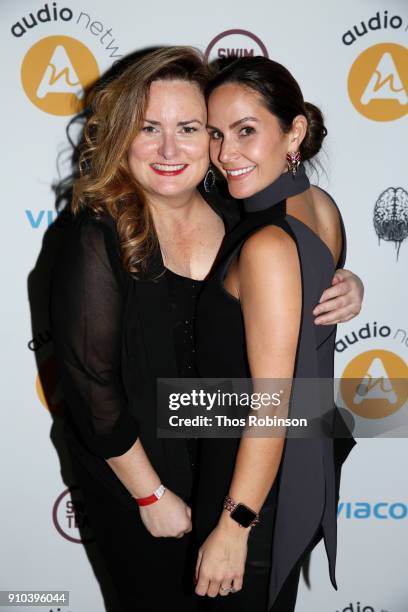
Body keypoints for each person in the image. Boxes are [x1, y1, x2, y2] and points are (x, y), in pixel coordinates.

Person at [50, 47, 361, 612]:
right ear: (123, 136)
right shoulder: (96, 236)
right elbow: (91, 387)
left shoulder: (237, 208)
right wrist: (150, 494)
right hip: (139, 483)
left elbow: (293, 257)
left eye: (191, 129)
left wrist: (346, 282)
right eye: (149, 128)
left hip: (234, 470)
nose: (171, 149)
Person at [193, 56, 356, 611]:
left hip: (250, 491)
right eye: (215, 134)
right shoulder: (321, 206)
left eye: (246, 131)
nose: (225, 153)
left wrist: (234, 526)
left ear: (295, 131)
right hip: (296, 476)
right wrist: (351, 283)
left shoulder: (265, 245)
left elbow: (271, 401)